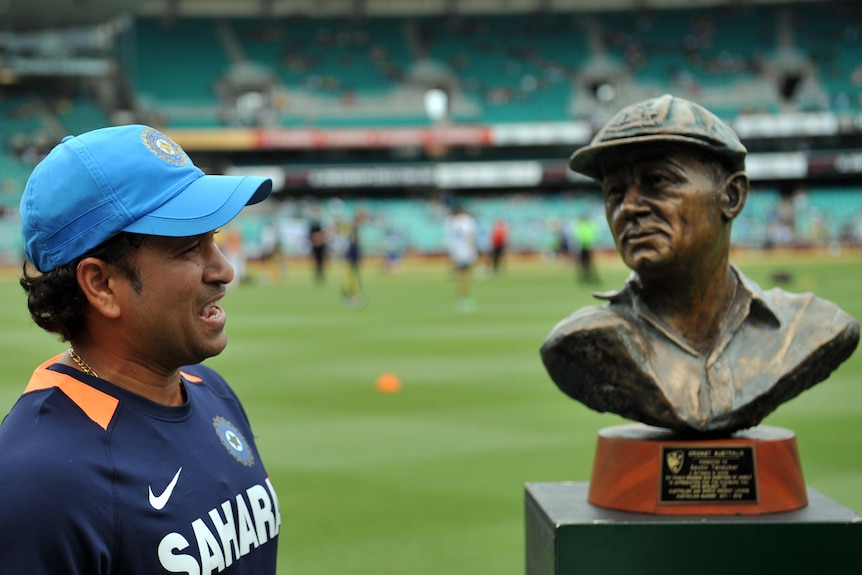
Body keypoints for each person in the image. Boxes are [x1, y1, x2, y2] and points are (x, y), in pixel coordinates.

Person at [0, 125, 281, 573]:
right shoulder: (37, 481)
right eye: (190, 247)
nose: (224, 270)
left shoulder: (211, 391)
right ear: (102, 285)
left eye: (214, 240)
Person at [540, 94, 859, 435]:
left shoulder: (812, 328)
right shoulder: (582, 342)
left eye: (658, 181)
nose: (629, 207)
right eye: (614, 191)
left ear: (732, 197)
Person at [444, 203, 479, 311]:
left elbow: (448, 237)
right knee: (465, 274)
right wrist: (473, 250)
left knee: (461, 273)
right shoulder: (468, 221)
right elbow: (470, 236)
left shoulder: (451, 221)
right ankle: (463, 297)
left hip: (456, 250)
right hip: (465, 250)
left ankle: (462, 296)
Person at [571, 214, 600, 284]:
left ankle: (584, 278)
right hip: (588, 246)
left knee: (582, 264)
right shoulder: (590, 226)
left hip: (583, 247)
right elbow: (594, 235)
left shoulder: (581, 226)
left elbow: (578, 237)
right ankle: (591, 278)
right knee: (589, 264)